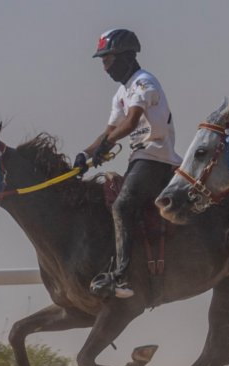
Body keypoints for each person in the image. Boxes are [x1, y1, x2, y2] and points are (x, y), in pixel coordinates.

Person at [76, 28, 181, 298]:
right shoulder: (120, 93)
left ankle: (122, 277)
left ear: (124, 56)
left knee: (122, 205)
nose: (104, 67)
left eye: (107, 59)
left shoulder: (144, 83)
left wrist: (105, 146)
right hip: (139, 158)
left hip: (156, 157)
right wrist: (85, 155)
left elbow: (131, 122)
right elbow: (109, 129)